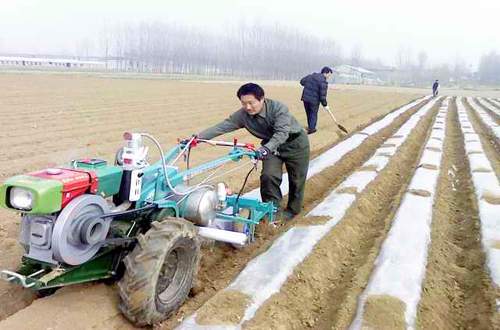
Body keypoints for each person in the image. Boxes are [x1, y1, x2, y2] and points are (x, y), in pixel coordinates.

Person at [196, 83, 310, 221]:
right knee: (269, 176)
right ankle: (272, 210)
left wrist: (265, 149)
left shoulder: (279, 109)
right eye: (244, 103)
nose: (247, 107)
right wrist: (197, 138)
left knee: (297, 180)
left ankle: (292, 211)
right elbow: (223, 126)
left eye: (251, 103)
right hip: (270, 148)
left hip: (295, 145)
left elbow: (281, 133)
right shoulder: (243, 115)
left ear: (262, 99)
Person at [300, 66, 333, 134]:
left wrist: (309, 85)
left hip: (305, 98)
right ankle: (312, 129)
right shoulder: (323, 81)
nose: (329, 77)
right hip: (314, 100)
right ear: (325, 73)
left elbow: (302, 81)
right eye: (329, 74)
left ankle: (310, 127)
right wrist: (325, 105)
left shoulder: (311, 76)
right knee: (313, 114)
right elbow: (322, 95)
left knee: (308, 113)